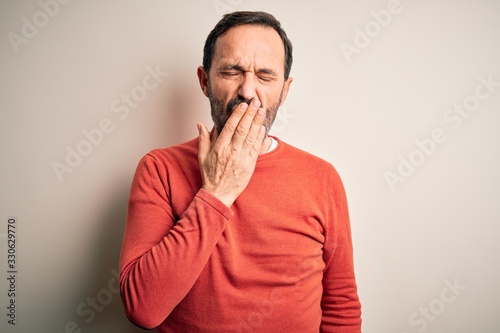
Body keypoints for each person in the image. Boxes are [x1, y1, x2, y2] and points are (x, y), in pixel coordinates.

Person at [119, 11, 362, 333]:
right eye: (232, 71)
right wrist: (217, 192)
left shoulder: (322, 178)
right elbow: (143, 309)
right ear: (205, 81)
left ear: (285, 90)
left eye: (265, 76)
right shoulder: (159, 169)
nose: (247, 91)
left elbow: (340, 302)